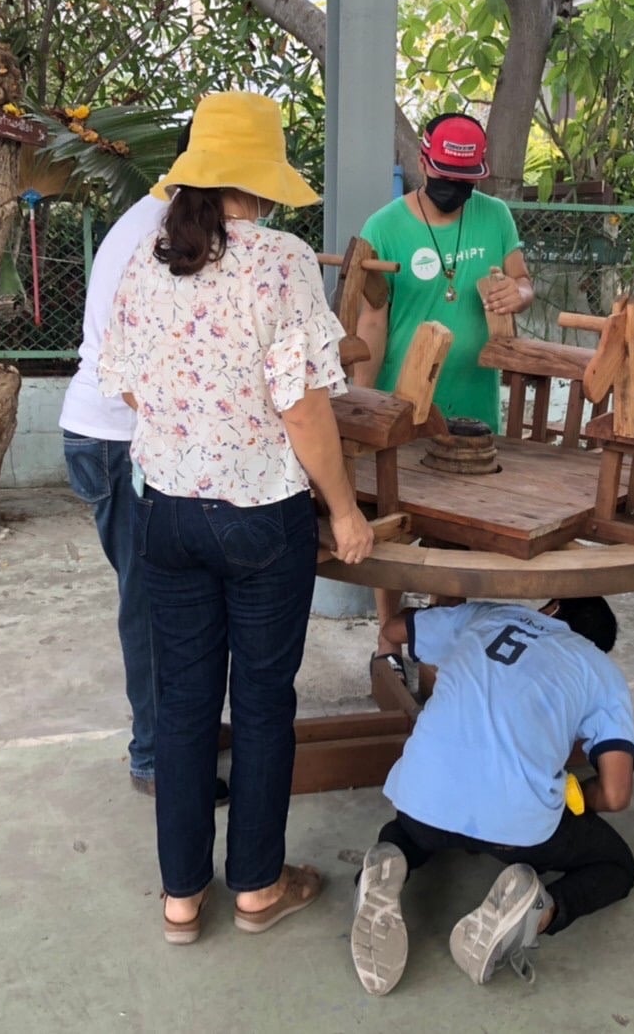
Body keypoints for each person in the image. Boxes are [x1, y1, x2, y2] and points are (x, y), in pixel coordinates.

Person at [98, 91, 375, 943]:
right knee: (260, 703)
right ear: (260, 178)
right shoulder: (281, 261)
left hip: (167, 514)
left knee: (183, 705)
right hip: (261, 519)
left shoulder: (148, 258)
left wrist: (192, 434)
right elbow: (304, 408)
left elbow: (129, 386)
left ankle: (182, 898)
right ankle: (257, 886)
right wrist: (344, 510)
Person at [350, 598, 634, 994]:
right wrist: (576, 799)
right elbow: (616, 794)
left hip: (422, 800)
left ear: (552, 608)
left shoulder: (488, 615)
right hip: (515, 830)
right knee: (617, 866)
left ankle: (386, 864)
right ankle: (536, 912)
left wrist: (443, 615)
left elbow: (393, 630)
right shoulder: (601, 671)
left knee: (410, 832)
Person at [354, 112, 536, 688]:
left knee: (458, 534)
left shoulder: (496, 216)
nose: (454, 188)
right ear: (423, 163)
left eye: (465, 180)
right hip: (402, 405)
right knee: (391, 526)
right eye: (444, 176)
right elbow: (371, 321)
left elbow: (523, 280)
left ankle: (435, 646)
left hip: (472, 403)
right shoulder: (383, 227)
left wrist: (519, 293)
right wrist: (362, 407)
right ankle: (389, 638)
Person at [60, 120, 190, 797]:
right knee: (150, 603)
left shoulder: (160, 218)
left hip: (113, 436)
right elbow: (141, 363)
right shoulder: (159, 234)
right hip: (118, 441)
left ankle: (172, 737)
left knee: (160, 598)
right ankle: (155, 757)